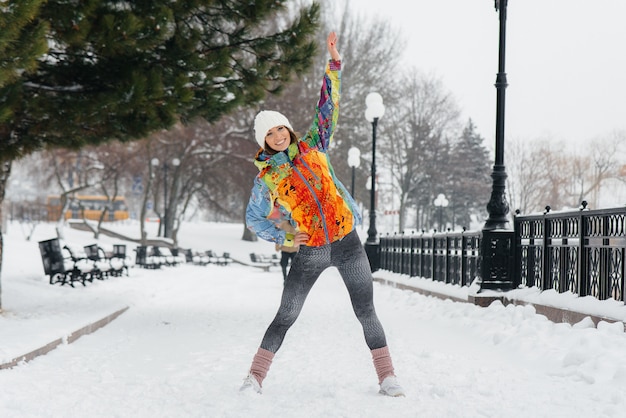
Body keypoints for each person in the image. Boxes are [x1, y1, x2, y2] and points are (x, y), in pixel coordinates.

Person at [241, 31, 404, 397]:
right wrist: (284, 237)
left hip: (347, 241)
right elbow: (255, 218)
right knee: (287, 314)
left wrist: (333, 62)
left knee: (366, 311)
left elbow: (328, 104)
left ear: (288, 129)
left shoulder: (315, 143)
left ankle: (388, 376)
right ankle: (254, 377)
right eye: (270, 133)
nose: (278, 135)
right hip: (311, 249)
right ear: (263, 141)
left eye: (281, 127)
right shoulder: (268, 177)